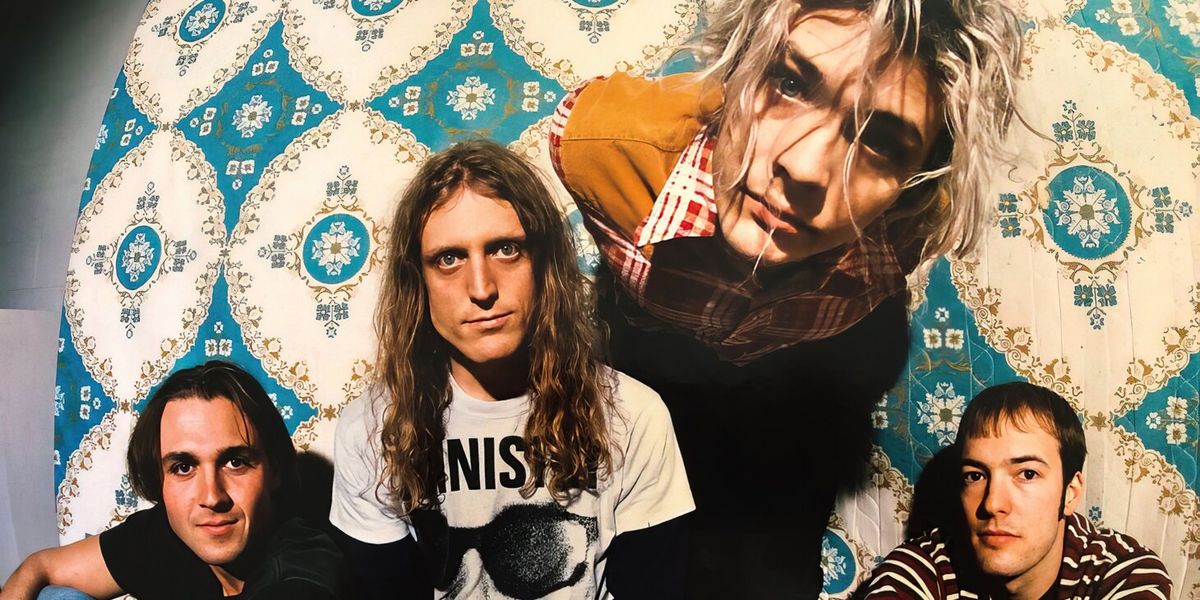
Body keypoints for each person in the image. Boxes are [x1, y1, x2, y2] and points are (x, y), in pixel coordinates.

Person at [549, 0, 1025, 594]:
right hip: (650, 357)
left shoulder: (908, 225)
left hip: (796, 388)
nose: (804, 167)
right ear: (737, 68)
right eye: (790, 83)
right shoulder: (598, 148)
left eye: (880, 141)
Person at [329, 139, 694, 599]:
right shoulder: (371, 431)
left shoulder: (631, 416)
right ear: (417, 283)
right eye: (449, 259)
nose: (482, 288)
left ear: (543, 265)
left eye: (505, 249)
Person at [0, 360, 346, 600]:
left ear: (275, 471)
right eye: (183, 467)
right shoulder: (166, 534)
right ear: (160, 480)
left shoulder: (302, 568)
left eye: (235, 462)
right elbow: (40, 567)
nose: (211, 496)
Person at [861, 382, 1172, 599]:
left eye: (1027, 474)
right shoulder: (922, 569)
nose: (993, 503)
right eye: (975, 476)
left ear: (1071, 492)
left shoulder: (1122, 572)